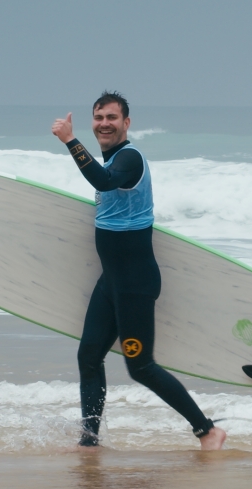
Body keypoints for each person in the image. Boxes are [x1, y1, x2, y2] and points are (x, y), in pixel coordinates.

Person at [51, 91, 227, 450]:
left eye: (111, 118)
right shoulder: (114, 159)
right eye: (98, 118)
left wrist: (70, 140)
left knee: (141, 366)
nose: (104, 124)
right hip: (111, 283)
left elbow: (102, 180)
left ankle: (207, 431)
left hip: (134, 285)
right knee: (88, 356)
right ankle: (89, 440)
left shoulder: (129, 158)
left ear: (126, 123)